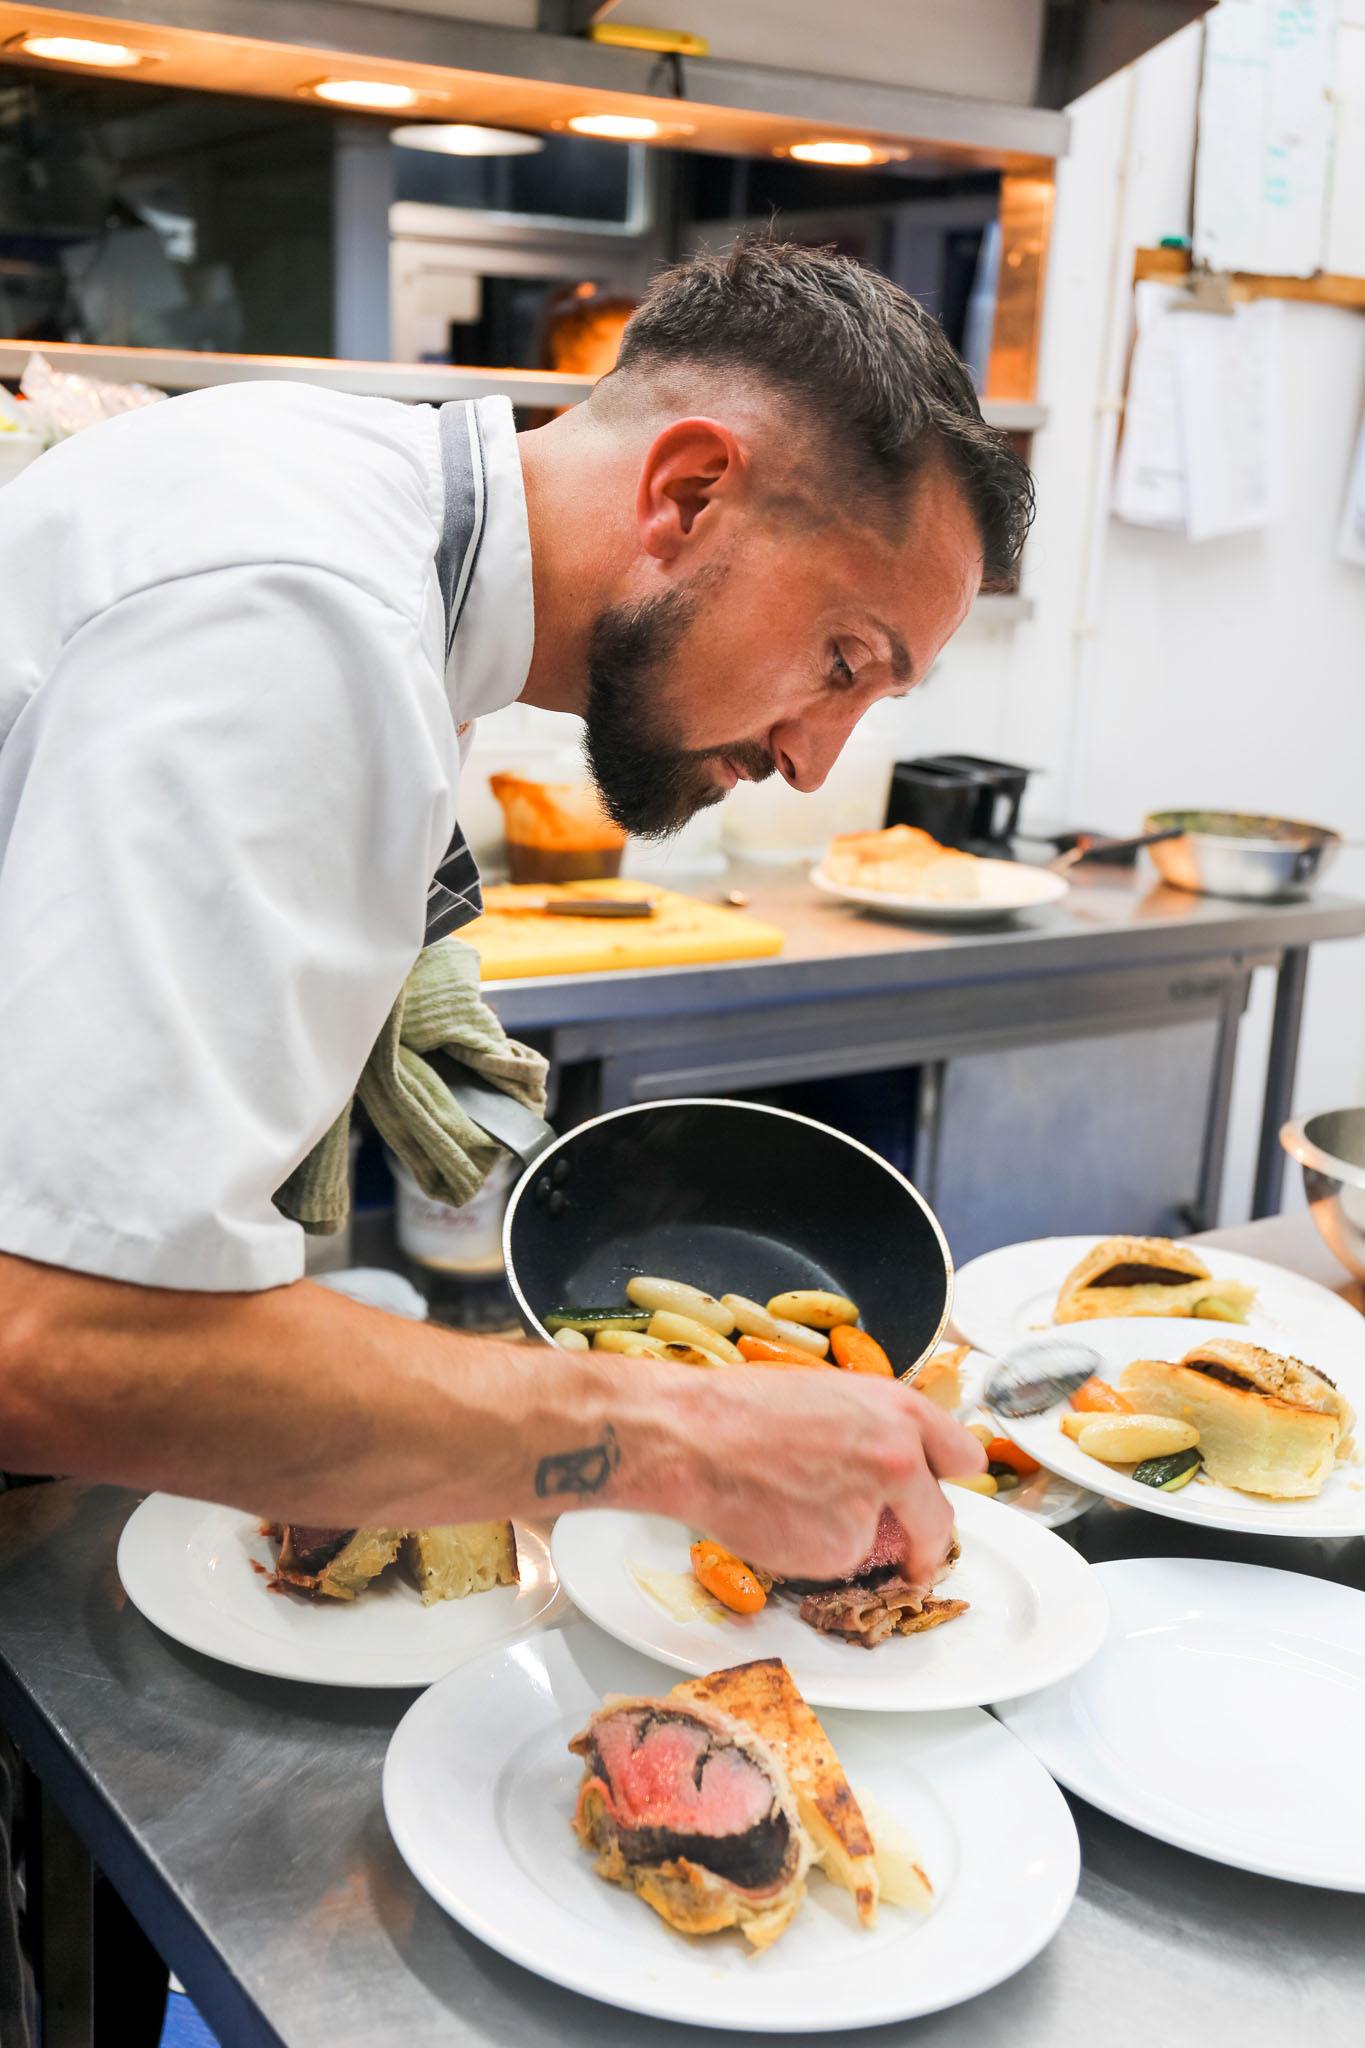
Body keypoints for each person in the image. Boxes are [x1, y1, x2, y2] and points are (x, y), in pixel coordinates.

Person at [0, 234, 1028, 1595]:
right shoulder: (306, 614)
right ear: (691, 490)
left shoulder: (353, 506)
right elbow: (66, 1343)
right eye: (841, 660)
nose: (813, 759)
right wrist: (684, 1438)